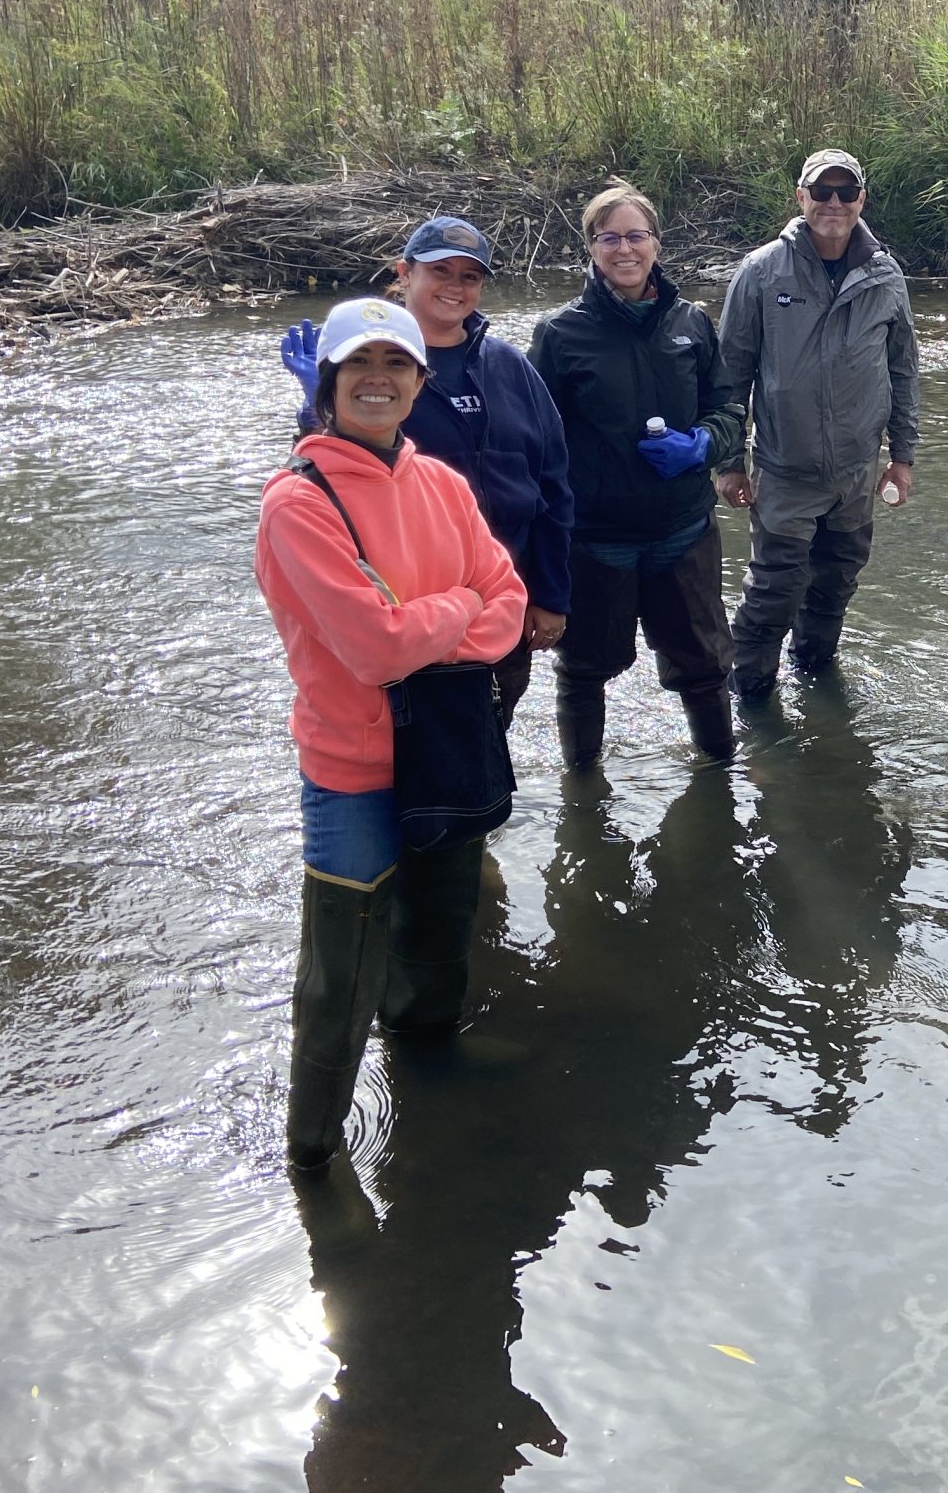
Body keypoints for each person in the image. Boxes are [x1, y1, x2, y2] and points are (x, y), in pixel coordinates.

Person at [255, 297, 529, 1173]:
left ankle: (426, 1062)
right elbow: (374, 649)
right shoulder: (299, 504)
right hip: (353, 765)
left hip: (443, 752)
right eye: (357, 366)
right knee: (342, 966)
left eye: (395, 365)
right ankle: (312, 1151)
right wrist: (457, 612)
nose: (378, 380)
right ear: (329, 384)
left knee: (439, 928)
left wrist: (432, 622)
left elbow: (510, 603)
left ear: (418, 381)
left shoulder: (443, 484)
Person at [283, 217, 571, 726]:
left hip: (507, 597)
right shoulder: (370, 376)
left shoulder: (510, 365)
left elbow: (553, 483)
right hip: (404, 611)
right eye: (440, 271)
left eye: (470, 276)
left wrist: (549, 593)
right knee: (397, 744)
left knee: (486, 739)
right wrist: (316, 411)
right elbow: (325, 482)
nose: (454, 288)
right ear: (404, 273)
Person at [529, 183, 747, 766]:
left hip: (682, 530)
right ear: (591, 248)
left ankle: (720, 773)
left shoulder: (692, 323)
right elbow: (535, 441)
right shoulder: (559, 333)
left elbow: (728, 409)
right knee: (582, 670)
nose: (624, 249)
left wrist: (702, 444)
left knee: (703, 665)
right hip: (597, 538)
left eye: (636, 236)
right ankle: (583, 790)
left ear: (656, 242)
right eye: (609, 238)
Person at [713, 149, 920, 702]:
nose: (833, 203)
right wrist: (729, 464)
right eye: (821, 192)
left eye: (845, 192)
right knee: (772, 594)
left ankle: (815, 683)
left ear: (861, 200)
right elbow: (730, 375)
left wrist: (902, 455)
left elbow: (902, 367)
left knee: (834, 586)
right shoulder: (760, 271)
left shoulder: (885, 273)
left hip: (857, 473)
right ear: (801, 198)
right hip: (784, 470)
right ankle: (748, 700)